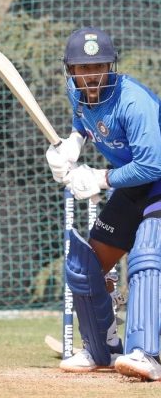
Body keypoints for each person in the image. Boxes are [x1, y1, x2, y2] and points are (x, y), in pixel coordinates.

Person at [46, 26, 161, 381]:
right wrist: (73, 144)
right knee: (84, 267)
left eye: (98, 67)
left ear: (110, 66)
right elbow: (82, 121)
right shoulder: (78, 94)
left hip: (157, 182)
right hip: (132, 188)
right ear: (71, 70)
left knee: (146, 255)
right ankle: (102, 349)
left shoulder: (133, 102)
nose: (91, 75)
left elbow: (152, 165)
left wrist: (100, 178)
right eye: (83, 68)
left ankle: (147, 353)